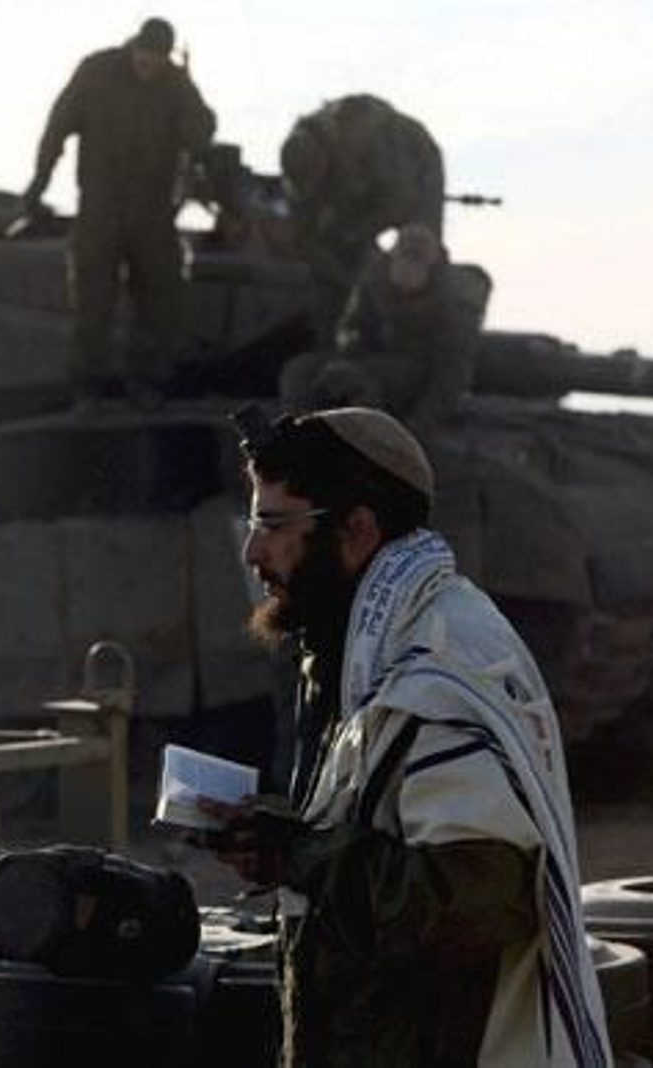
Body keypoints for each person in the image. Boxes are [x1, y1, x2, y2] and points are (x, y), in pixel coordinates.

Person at [204, 406, 611, 1066]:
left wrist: (302, 856)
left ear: (357, 529)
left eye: (275, 526)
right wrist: (284, 847)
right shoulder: (364, 648)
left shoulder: (438, 667)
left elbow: (475, 900)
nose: (252, 552)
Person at [21, 16, 216, 402]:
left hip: (153, 209)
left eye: (157, 58)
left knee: (159, 294)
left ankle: (147, 382)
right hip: (100, 204)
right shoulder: (97, 72)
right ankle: (89, 387)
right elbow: (57, 127)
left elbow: (202, 136)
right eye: (144, 54)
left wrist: (188, 96)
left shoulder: (176, 85)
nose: (148, 64)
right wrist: (38, 185)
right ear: (134, 46)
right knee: (92, 297)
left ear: (166, 57)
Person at [279, 223, 490, 434]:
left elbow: (451, 376)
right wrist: (345, 355)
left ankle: (369, 441)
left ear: (431, 267)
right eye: (402, 257)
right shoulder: (375, 282)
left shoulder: (456, 305)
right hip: (370, 360)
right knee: (300, 370)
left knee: (360, 383)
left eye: (415, 260)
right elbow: (352, 328)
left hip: (418, 374)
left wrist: (416, 430)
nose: (407, 267)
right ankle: (301, 434)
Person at [279, 94, 445, 345]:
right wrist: (337, 273)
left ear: (323, 158)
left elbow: (398, 203)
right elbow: (305, 235)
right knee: (333, 258)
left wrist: (355, 233)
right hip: (361, 188)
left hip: (416, 173)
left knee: (418, 249)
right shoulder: (299, 163)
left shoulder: (368, 139)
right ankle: (338, 335)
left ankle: (421, 341)